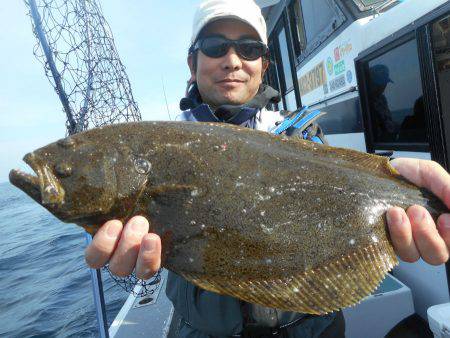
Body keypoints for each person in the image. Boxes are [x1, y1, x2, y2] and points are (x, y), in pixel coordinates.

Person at [85, 1, 450, 337]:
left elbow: (342, 184)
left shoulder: (302, 135)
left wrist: (394, 182)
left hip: (311, 328)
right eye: (214, 46)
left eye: (249, 49)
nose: (232, 60)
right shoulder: (160, 148)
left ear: (263, 66)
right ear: (192, 64)